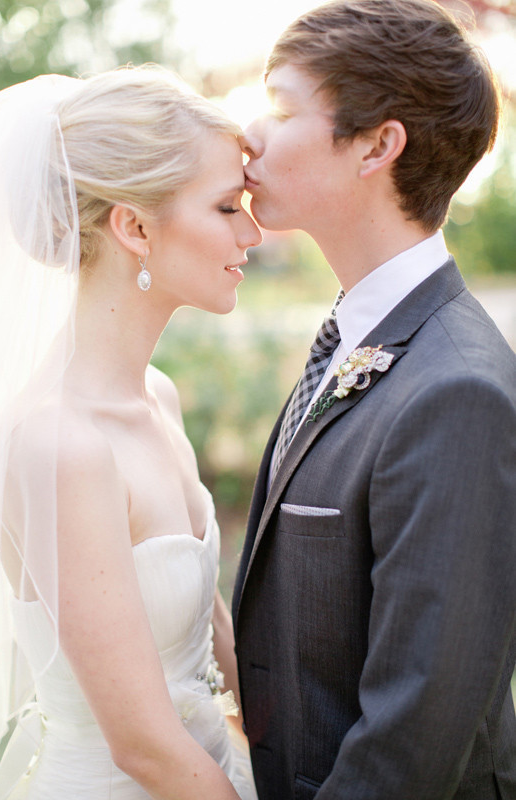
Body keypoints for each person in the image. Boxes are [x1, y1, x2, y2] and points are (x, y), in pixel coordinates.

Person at [0, 65, 262, 799]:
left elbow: (209, 629)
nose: (252, 231)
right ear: (134, 227)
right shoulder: (58, 445)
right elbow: (144, 747)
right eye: (226, 206)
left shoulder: (159, 396)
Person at [233, 1, 516, 798]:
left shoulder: (455, 389)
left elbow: (415, 736)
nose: (248, 135)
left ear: (377, 145)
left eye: (282, 107)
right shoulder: (361, 332)